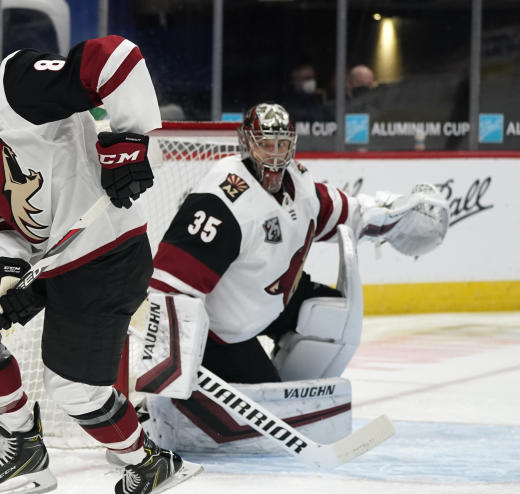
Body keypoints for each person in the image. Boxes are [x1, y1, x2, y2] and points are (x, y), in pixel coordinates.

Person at [0, 18, 196, 494]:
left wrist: (130, 140)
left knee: (73, 390)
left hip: (105, 255)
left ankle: (148, 463)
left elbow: (115, 56)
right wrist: (4, 265)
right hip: (45, 259)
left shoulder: (20, 83)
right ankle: (22, 446)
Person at [139, 103, 449, 446]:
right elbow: (170, 288)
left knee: (332, 317)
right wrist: (165, 380)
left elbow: (346, 213)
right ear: (246, 143)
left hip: (270, 297)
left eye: (281, 144)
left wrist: (395, 218)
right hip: (223, 331)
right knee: (266, 395)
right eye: (264, 144)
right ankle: (185, 405)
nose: (274, 155)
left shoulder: (299, 183)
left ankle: (288, 387)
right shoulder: (220, 202)